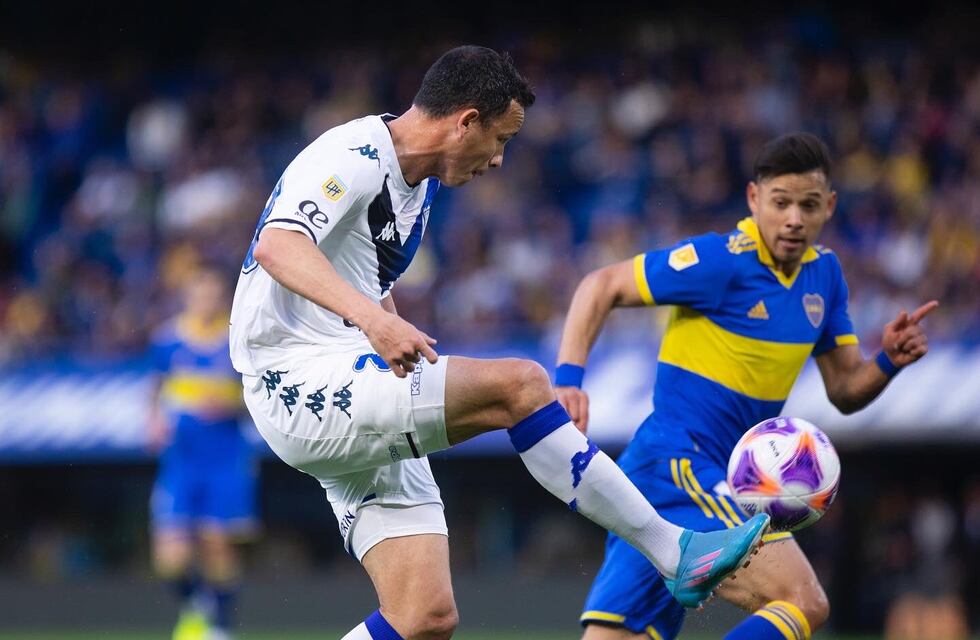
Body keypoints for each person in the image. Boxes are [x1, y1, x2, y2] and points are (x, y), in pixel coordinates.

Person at [229, 45, 768, 640]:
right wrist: (376, 323)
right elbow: (277, 246)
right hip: (297, 384)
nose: (499, 160)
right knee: (522, 386)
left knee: (424, 617)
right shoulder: (351, 156)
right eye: (500, 139)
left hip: (346, 373)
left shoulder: (419, 188)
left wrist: (382, 322)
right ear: (466, 122)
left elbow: (362, 274)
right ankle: (675, 552)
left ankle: (674, 552)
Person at [554, 132, 938, 640]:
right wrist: (568, 380)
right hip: (681, 465)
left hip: (681, 475)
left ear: (830, 206)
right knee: (802, 601)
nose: (794, 219)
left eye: (809, 204)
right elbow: (599, 285)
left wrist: (887, 361)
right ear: (755, 199)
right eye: (780, 203)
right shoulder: (720, 261)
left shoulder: (824, 277)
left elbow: (845, 389)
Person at [149, 265, 258, 640]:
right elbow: (155, 387)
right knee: (171, 558)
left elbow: (258, 399)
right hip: (180, 459)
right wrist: (153, 421)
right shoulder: (167, 340)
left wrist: (230, 405)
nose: (206, 300)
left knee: (216, 545)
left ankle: (220, 627)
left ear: (224, 298)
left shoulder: (238, 340)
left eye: (213, 294)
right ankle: (196, 605)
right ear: (189, 296)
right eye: (200, 293)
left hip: (225, 459)